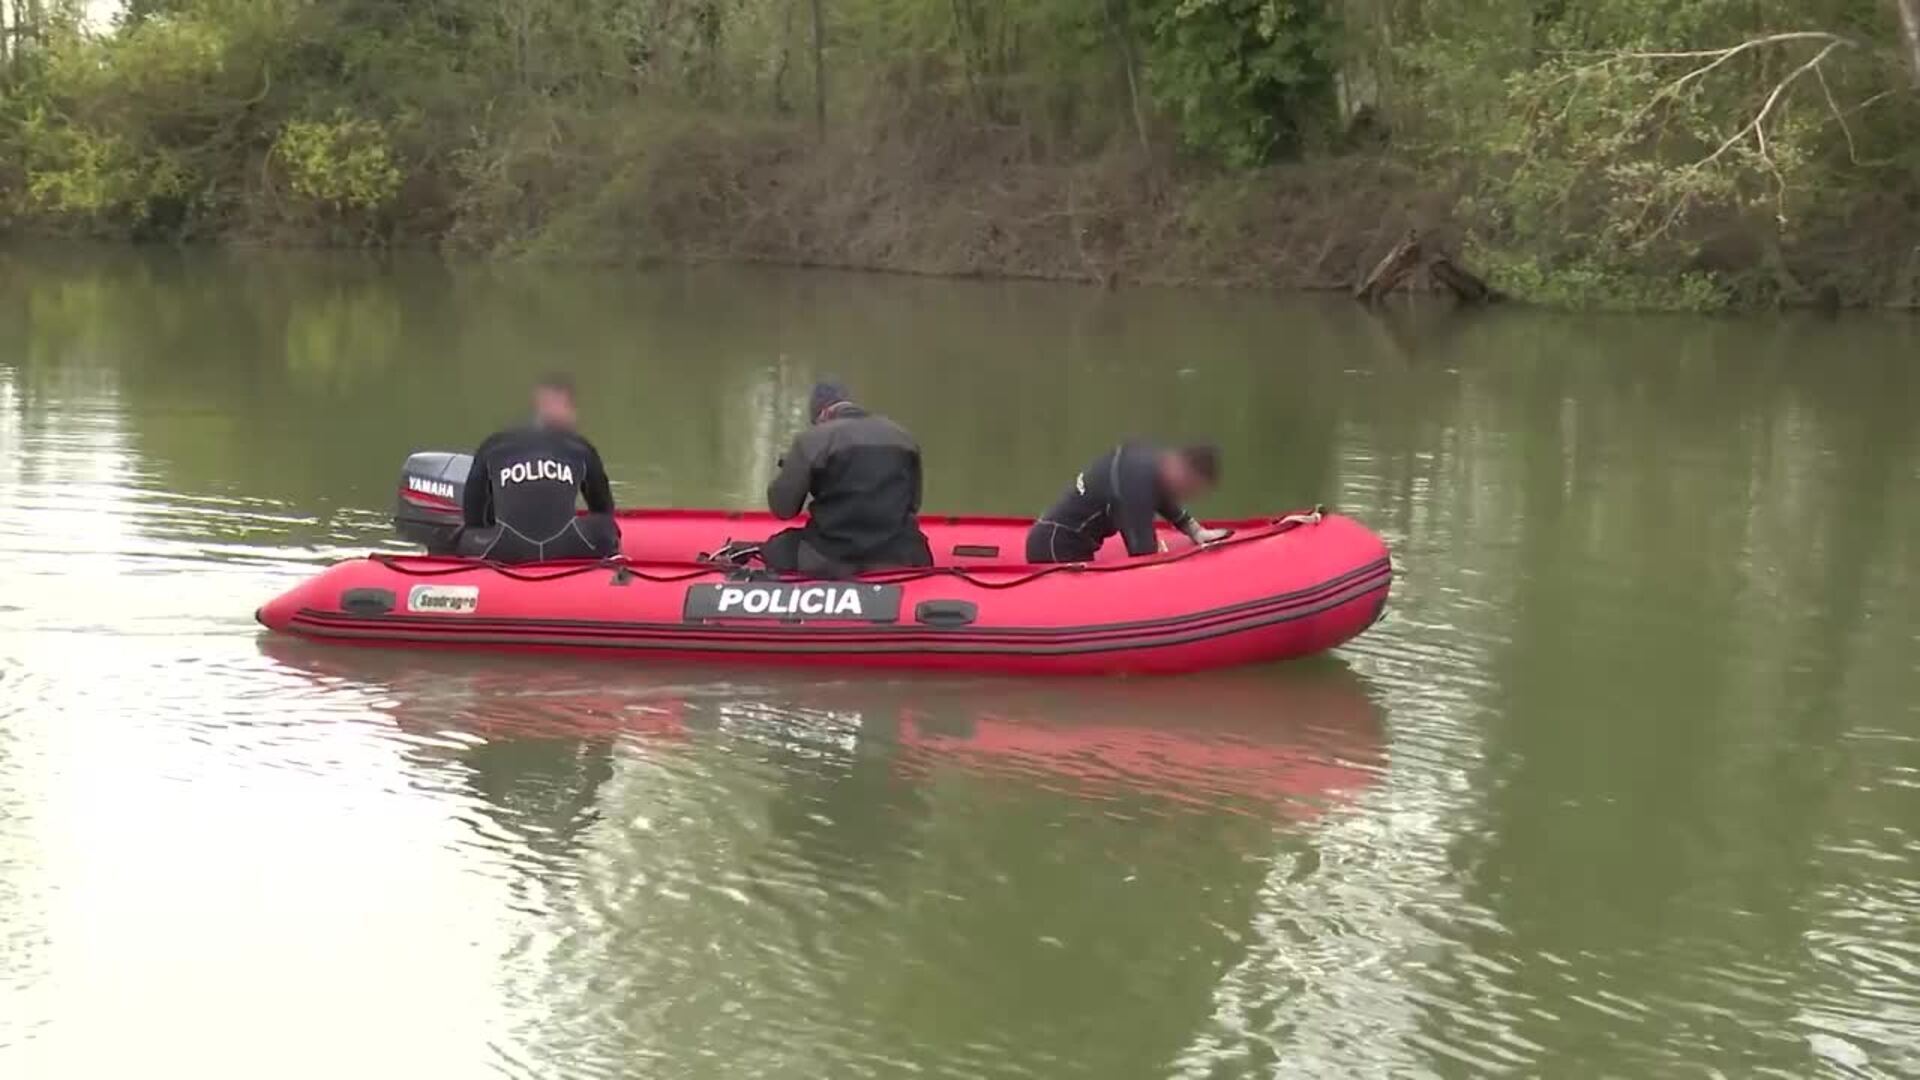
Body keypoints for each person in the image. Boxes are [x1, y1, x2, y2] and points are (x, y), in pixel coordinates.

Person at [764, 379, 933, 577]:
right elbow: (913, 504)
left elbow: (783, 508)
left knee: (778, 546)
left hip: (830, 557)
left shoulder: (811, 439)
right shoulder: (904, 437)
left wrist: (791, 466)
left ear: (823, 414)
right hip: (897, 556)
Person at [458, 374, 621, 564]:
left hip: (504, 549)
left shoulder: (493, 445)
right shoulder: (580, 447)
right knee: (607, 527)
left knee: (468, 536)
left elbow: (473, 516)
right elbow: (603, 509)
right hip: (569, 547)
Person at [1026, 442, 1230, 563]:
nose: (1187, 496)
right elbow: (1144, 560)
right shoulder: (1135, 488)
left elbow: (1160, 493)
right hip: (1056, 550)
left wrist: (1195, 530)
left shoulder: (1148, 463)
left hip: (1050, 536)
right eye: (1191, 489)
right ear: (1183, 473)